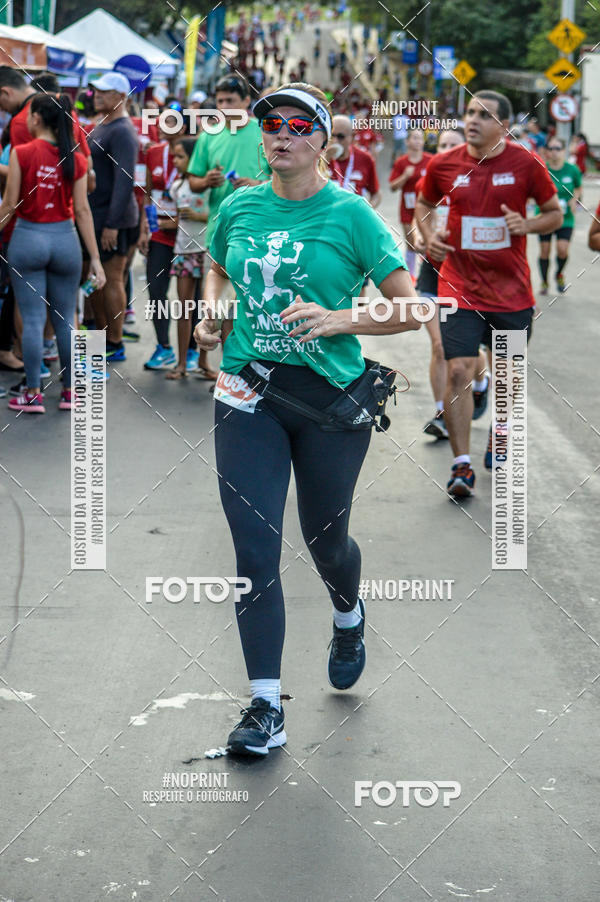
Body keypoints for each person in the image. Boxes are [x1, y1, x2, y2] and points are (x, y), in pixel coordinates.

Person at [193, 83, 421, 756]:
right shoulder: (239, 205)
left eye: (297, 126)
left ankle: (347, 613)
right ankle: (265, 708)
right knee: (254, 550)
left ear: (323, 140)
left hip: (330, 402)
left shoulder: (351, 216)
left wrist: (339, 319)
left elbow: (411, 308)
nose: (280, 135)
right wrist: (212, 312)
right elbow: (216, 268)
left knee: (325, 543)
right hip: (246, 392)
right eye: (270, 125)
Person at [415, 90, 561, 497]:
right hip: (459, 286)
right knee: (458, 367)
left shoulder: (526, 163)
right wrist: (430, 239)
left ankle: (500, 430)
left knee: (507, 375)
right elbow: (422, 206)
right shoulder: (444, 163)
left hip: (512, 293)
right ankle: (461, 466)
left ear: (503, 124)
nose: (473, 119)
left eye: (484, 114)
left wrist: (526, 226)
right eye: (469, 112)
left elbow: (555, 215)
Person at [0, 93, 105, 413]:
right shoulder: (76, 156)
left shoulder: (22, 152)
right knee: (65, 320)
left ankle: (32, 393)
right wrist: (96, 260)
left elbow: (10, 205)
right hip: (66, 242)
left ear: (36, 119)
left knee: (32, 320)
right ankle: (70, 392)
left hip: (28, 239)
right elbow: (83, 211)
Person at [413, 127, 489, 440]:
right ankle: (442, 413)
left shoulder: (480, 180)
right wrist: (422, 240)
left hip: (467, 275)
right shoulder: (431, 177)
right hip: (433, 272)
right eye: (441, 144)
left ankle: (480, 382)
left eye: (452, 145)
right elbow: (418, 221)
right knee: (440, 345)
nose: (445, 149)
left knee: (465, 351)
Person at [86, 73, 139, 363]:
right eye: (96, 90)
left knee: (112, 278)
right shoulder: (102, 124)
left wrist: (112, 224)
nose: (97, 95)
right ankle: (100, 334)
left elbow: (125, 181)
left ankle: (115, 341)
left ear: (121, 96)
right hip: (95, 215)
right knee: (96, 279)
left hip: (112, 218)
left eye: (105, 92)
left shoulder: (122, 131)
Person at [187, 75, 270, 248]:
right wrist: (206, 181)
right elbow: (193, 183)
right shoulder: (207, 136)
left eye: (230, 101)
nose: (224, 107)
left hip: (259, 233)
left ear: (246, 101)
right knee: (215, 276)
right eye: (220, 101)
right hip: (218, 234)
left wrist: (259, 185)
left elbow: (287, 180)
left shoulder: (266, 132)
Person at [165, 137, 217, 381]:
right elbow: (176, 218)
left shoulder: (209, 185)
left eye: (180, 157)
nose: (176, 162)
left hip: (207, 251)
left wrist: (198, 215)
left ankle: (204, 362)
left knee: (209, 311)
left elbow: (219, 216)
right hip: (183, 252)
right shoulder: (176, 186)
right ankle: (182, 362)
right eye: (174, 157)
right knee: (184, 309)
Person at [139, 108, 187, 370]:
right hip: (159, 234)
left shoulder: (194, 152)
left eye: (169, 121)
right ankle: (163, 347)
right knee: (156, 291)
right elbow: (148, 192)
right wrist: (145, 227)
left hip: (188, 235)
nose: (161, 125)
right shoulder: (154, 152)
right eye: (159, 121)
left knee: (189, 296)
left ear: (182, 127)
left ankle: (190, 350)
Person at [538, 137, 582, 295]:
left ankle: (559, 275)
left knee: (562, 250)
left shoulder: (572, 169)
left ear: (564, 150)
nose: (554, 152)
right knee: (545, 250)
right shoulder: (542, 169)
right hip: (545, 216)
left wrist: (574, 199)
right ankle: (544, 282)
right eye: (551, 148)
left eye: (557, 148)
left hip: (566, 218)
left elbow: (578, 187)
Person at [389, 129, 432, 278]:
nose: (418, 141)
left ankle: (426, 276)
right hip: (407, 208)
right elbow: (392, 187)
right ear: (407, 141)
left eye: (420, 138)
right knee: (411, 244)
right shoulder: (401, 162)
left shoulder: (430, 160)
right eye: (414, 138)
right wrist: (405, 176)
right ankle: (411, 277)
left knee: (426, 242)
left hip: (426, 209)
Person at [325, 115, 381, 206]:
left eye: (340, 137)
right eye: (332, 136)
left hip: (354, 218)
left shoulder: (365, 158)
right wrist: (324, 160)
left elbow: (376, 194)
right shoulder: (319, 158)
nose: (335, 141)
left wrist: (367, 212)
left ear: (352, 137)